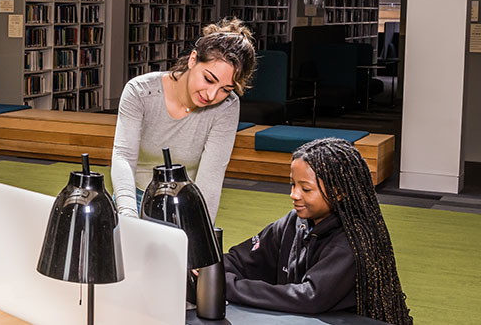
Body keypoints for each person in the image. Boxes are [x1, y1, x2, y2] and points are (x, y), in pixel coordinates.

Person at [223, 138, 412, 324]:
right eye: (292, 184)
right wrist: (210, 269)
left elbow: (309, 298)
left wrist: (227, 286)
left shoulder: (351, 243)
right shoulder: (295, 221)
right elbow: (242, 258)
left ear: (338, 192)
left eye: (306, 188)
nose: (294, 195)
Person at [111, 18, 256, 223]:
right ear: (193, 59)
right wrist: (128, 217)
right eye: (208, 79)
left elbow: (211, 178)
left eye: (226, 89)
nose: (212, 94)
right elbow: (123, 157)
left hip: (184, 205)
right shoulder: (140, 92)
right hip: (133, 199)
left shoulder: (227, 107)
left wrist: (202, 231)